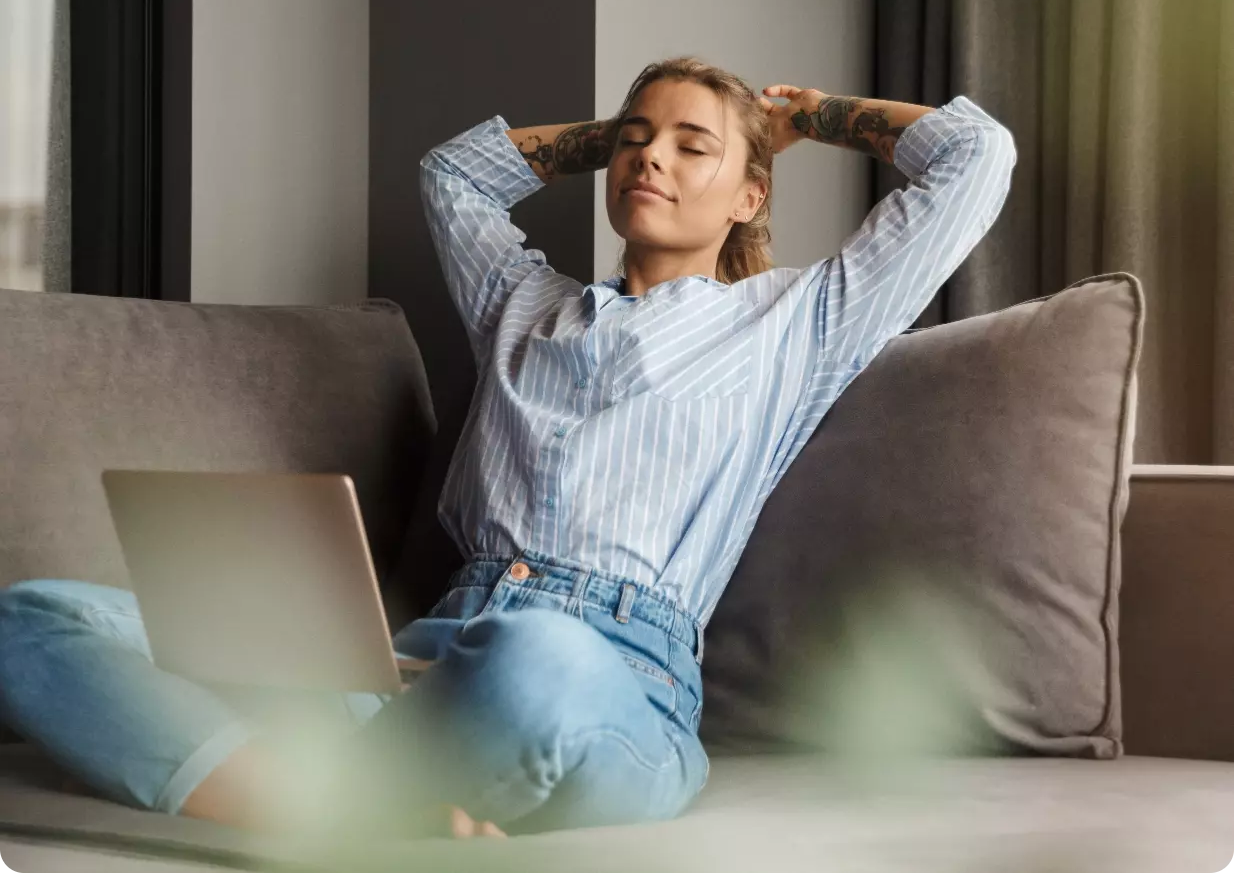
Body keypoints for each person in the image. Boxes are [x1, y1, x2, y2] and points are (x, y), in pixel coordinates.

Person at [0, 57, 1016, 839]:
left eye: (691, 147)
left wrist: (800, 117)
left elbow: (975, 160)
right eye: (636, 138)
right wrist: (618, 130)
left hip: (614, 681)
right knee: (34, 617)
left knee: (537, 655)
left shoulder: (796, 322)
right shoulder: (523, 305)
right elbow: (455, 176)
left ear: (750, 195)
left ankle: (342, 778)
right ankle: (304, 798)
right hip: (416, 661)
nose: (650, 157)